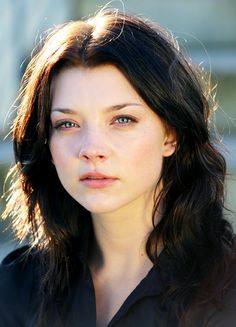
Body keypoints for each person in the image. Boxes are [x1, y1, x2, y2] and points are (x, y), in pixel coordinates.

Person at [0, 7, 236, 327]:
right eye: (67, 123)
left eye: (122, 119)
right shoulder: (17, 287)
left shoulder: (226, 290)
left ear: (171, 134)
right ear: (47, 144)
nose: (91, 149)